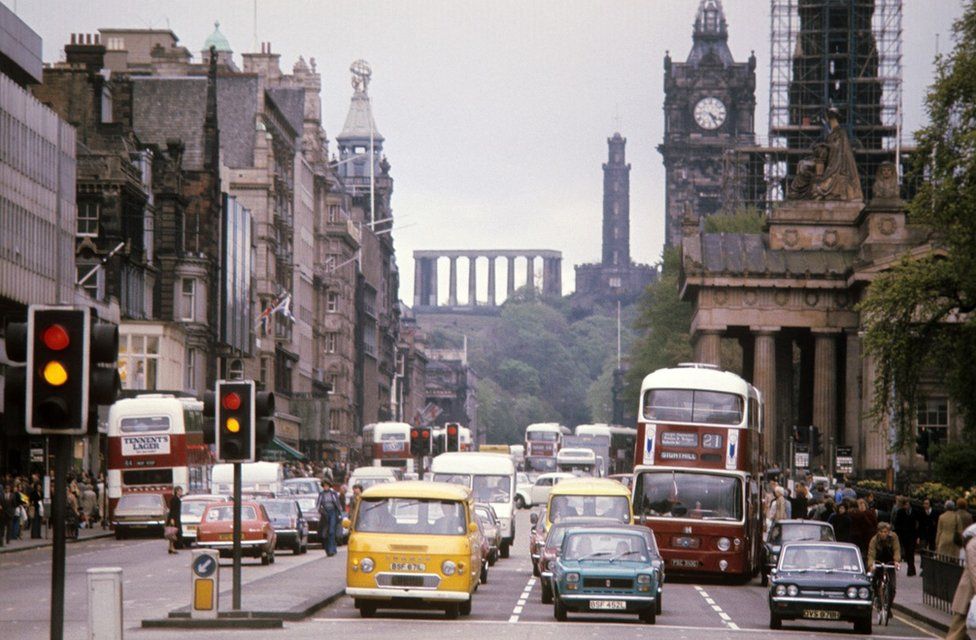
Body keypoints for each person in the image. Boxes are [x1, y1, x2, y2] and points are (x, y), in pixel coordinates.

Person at [947, 522, 976, 640]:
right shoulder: (973, 545)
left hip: (971, 593)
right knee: (957, 630)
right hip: (968, 593)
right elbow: (973, 569)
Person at [867, 522, 902, 605]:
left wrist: (896, 561)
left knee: (892, 587)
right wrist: (871, 565)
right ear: (878, 532)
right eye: (881, 532)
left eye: (885, 532)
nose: (883, 534)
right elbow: (871, 554)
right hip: (878, 561)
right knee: (874, 580)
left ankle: (889, 606)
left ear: (888, 532)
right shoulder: (874, 540)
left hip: (890, 562)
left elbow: (896, 550)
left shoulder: (894, 537)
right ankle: (876, 596)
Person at [891, 496, 918, 576]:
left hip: (912, 535)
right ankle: (911, 568)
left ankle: (911, 569)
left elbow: (917, 524)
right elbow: (897, 524)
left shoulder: (914, 512)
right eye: (905, 505)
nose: (906, 506)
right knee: (907, 552)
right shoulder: (900, 512)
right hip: (904, 536)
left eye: (907, 504)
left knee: (911, 552)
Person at [316, 478, 341, 556]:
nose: (325, 487)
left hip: (333, 512)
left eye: (327, 486)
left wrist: (339, 514)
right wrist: (321, 512)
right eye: (324, 486)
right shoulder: (321, 494)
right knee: (325, 533)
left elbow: (338, 504)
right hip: (325, 514)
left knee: (331, 531)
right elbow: (318, 505)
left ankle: (332, 549)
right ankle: (328, 549)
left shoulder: (333, 493)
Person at [166, 486, 182, 554]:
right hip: (174, 518)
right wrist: (172, 519)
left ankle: (171, 547)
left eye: (181, 491)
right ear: (176, 491)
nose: (181, 492)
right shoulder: (174, 499)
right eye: (180, 491)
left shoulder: (177, 498)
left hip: (176, 517)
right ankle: (172, 548)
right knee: (173, 533)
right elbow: (172, 510)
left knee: (172, 534)